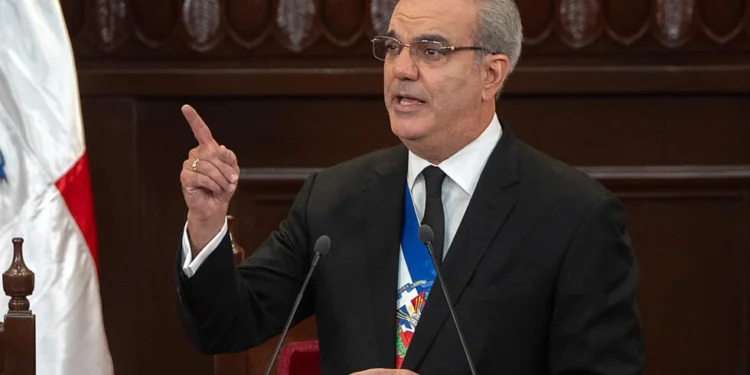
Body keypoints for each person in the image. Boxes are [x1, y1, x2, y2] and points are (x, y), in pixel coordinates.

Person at [174, 0, 644, 373]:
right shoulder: (335, 197)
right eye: (394, 47)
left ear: (491, 74)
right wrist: (207, 221)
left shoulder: (574, 216)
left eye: (431, 50)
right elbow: (224, 326)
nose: (402, 68)